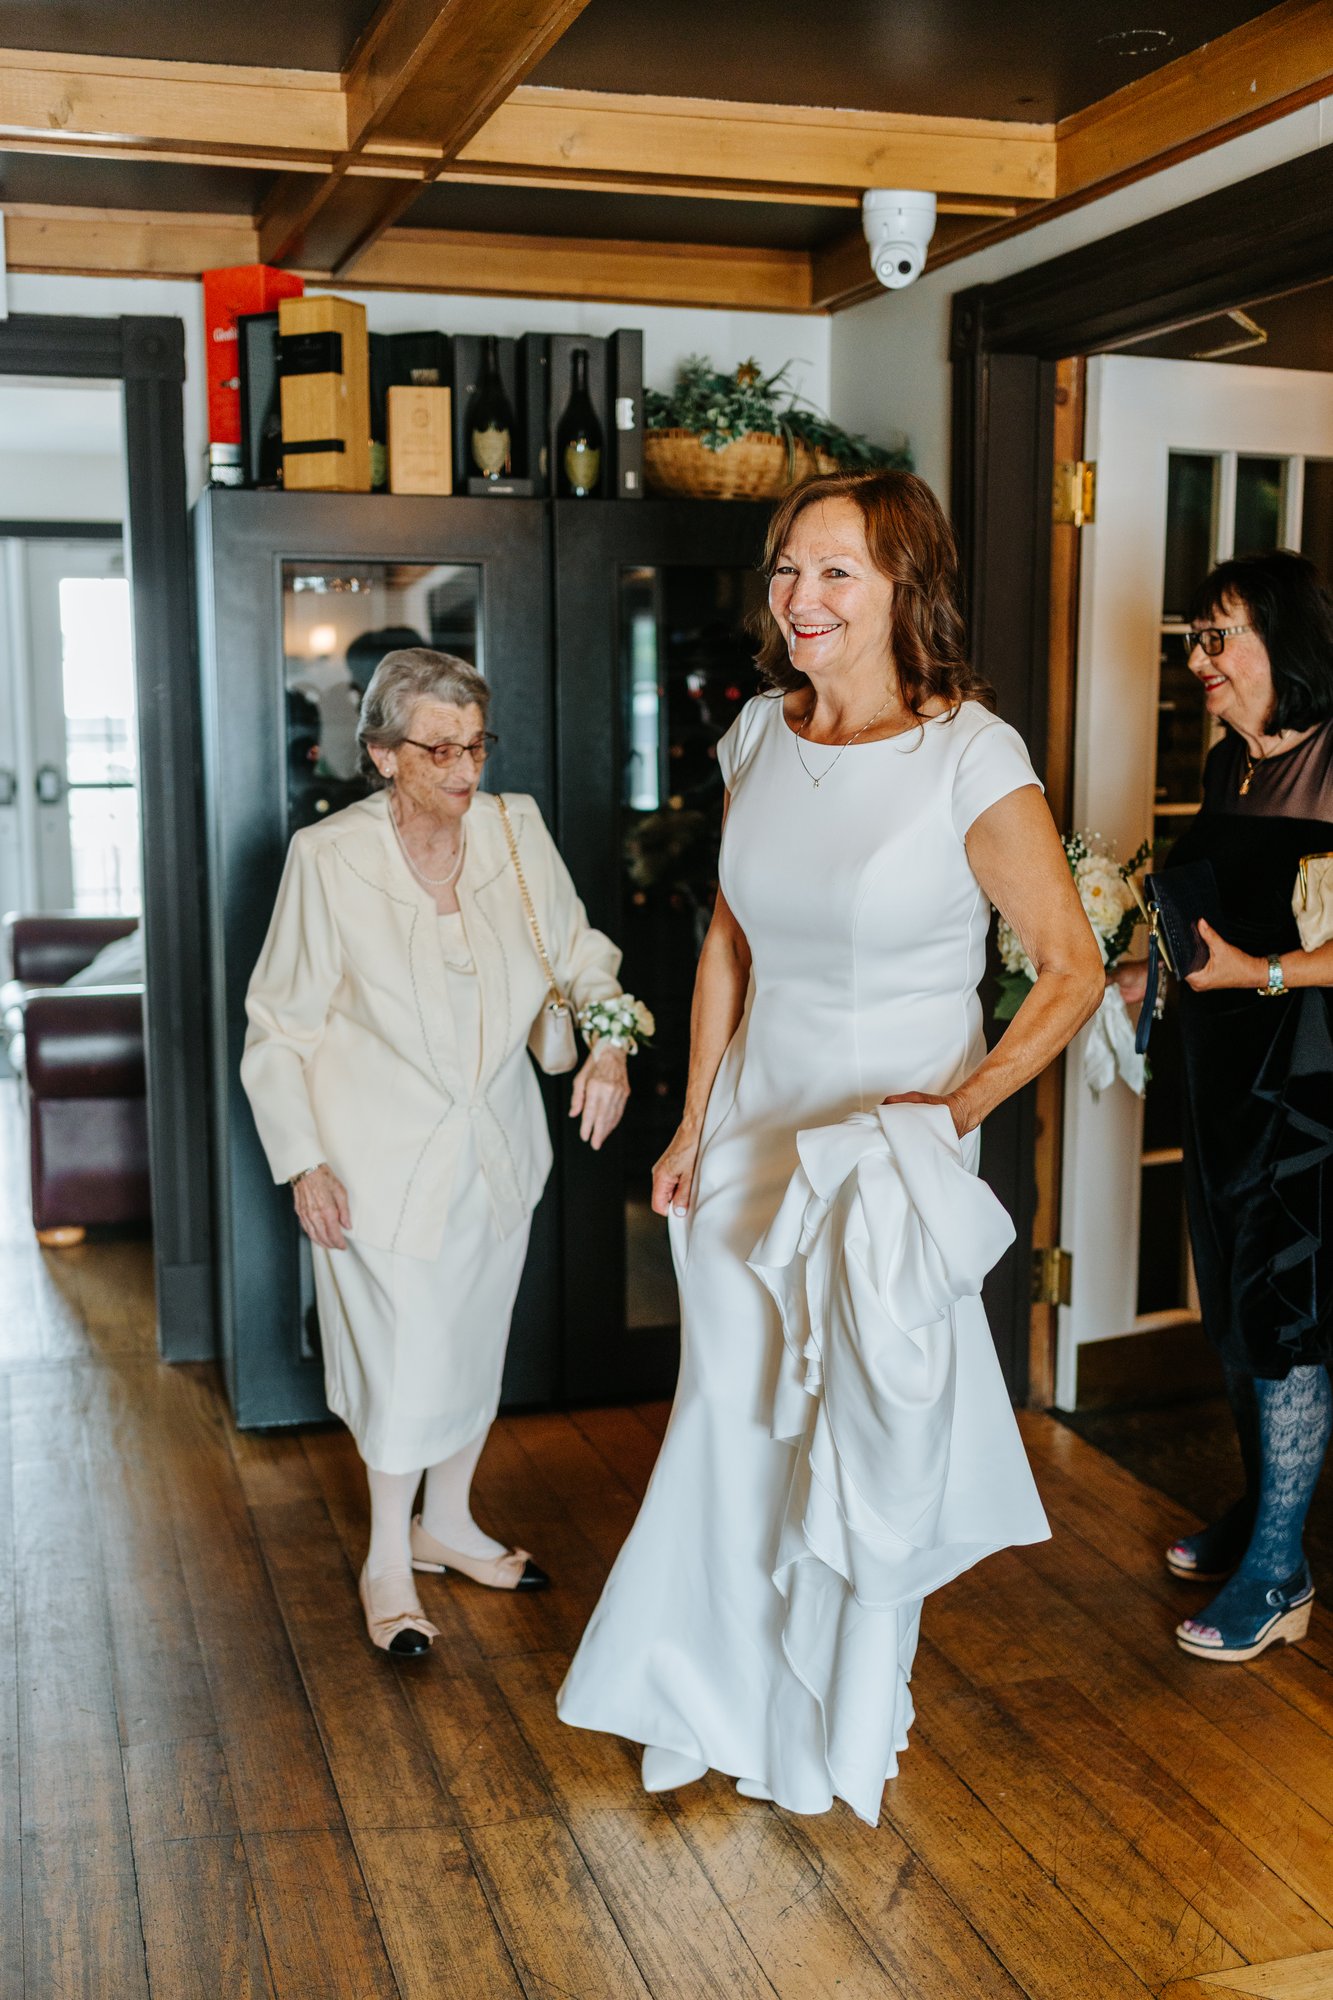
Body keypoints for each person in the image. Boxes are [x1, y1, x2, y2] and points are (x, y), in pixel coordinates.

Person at [557, 469, 1104, 1822]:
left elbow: (1069, 970)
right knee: (732, 1421)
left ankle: (827, 1736)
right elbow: (731, 937)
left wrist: (950, 1113)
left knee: (859, 1438)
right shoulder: (757, 734)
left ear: (905, 586)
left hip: (884, 1166)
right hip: (752, 1139)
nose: (799, 598)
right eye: (787, 569)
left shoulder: (974, 753)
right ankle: (702, 1694)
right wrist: (691, 1118)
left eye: (835, 572)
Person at [242, 648, 631, 1657]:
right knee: (403, 1358)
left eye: (475, 744)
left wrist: (610, 1042)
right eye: (438, 748)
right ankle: (385, 1554)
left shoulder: (516, 830)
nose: (465, 769)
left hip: (495, 1147)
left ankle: (446, 1522)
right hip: (372, 1161)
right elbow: (278, 1026)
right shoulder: (328, 859)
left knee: (469, 1342)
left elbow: (583, 955)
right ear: (381, 753)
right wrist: (301, 1160)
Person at [1118, 551, 1333, 1663]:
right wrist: (1131, 969)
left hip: (1310, 1093)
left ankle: (1281, 1567)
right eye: (1193, 637)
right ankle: (1264, 1510)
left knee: (1284, 1314)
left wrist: (1257, 972)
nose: (1197, 657)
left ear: (1283, 644)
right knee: (1236, 1309)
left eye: (1218, 635)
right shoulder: (1226, 767)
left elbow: (1286, 952)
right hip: (1218, 1084)